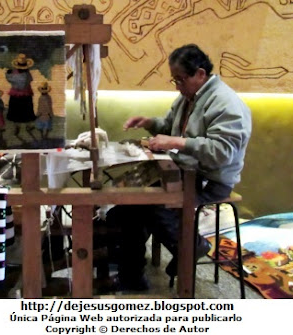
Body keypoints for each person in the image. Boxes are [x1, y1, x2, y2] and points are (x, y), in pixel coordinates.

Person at [106, 44, 252, 290]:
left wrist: (176, 142)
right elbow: (170, 126)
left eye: (181, 80)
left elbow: (223, 153)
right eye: (174, 80)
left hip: (211, 180)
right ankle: (129, 271)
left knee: (147, 204)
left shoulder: (226, 104)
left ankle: (189, 247)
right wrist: (150, 123)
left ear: (200, 74)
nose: (177, 86)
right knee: (128, 205)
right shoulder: (188, 97)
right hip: (186, 172)